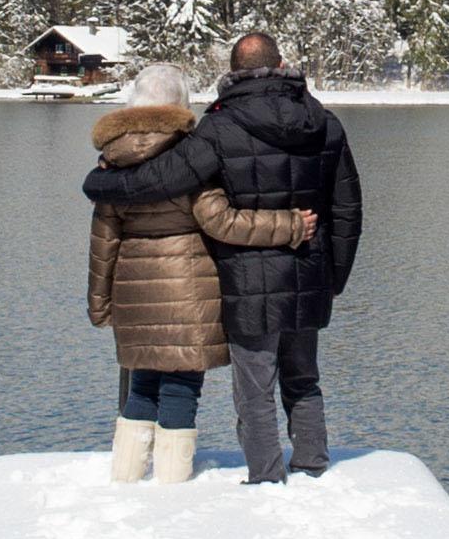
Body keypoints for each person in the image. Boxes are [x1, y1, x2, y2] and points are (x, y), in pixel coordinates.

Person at [82, 61, 312, 483]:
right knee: (181, 387)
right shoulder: (191, 157)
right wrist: (291, 225)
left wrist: (100, 304)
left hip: (133, 294)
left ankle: (126, 476)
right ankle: (172, 484)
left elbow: (103, 241)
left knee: (142, 384)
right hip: (188, 291)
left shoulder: (111, 161)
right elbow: (221, 221)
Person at [183, 29, 361, 484]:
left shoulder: (217, 127)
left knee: (254, 389)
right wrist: (333, 276)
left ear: (233, 72)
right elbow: (347, 209)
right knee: (303, 379)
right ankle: (313, 466)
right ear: (281, 65)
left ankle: (265, 478)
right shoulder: (323, 121)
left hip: (246, 280)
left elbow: (186, 189)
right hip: (309, 269)